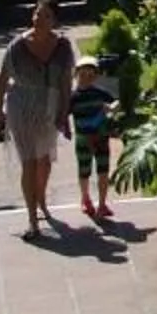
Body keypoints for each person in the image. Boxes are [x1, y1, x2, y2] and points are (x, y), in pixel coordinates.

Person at [0, 0, 77, 238]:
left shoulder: (63, 47)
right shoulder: (17, 46)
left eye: (46, 16)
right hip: (21, 107)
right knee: (29, 161)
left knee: (45, 160)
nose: (40, 19)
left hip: (49, 108)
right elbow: (2, 79)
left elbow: (65, 82)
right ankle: (32, 220)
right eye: (37, 14)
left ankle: (41, 199)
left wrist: (64, 113)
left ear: (54, 20)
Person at [67, 56, 118, 219]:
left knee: (103, 171)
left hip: (101, 137)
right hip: (83, 139)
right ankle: (85, 198)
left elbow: (116, 101)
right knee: (84, 171)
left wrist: (113, 107)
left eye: (90, 75)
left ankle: (102, 204)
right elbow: (63, 115)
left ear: (96, 77)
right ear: (76, 76)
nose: (86, 79)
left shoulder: (100, 93)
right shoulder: (73, 97)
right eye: (82, 75)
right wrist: (65, 127)